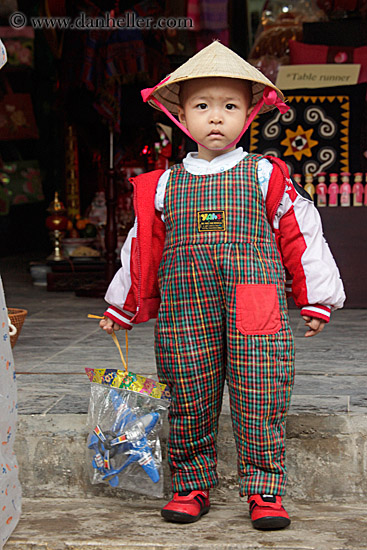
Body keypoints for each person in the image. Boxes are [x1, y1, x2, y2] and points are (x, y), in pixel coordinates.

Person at [99, 41, 345, 530]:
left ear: (249, 114)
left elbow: (301, 232)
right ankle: (191, 485)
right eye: (202, 106)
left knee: (260, 395)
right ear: (181, 117)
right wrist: (123, 304)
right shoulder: (165, 184)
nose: (216, 118)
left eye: (229, 106)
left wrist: (316, 298)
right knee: (188, 394)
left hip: (255, 305)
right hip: (184, 308)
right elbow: (142, 246)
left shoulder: (263, 174)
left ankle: (265, 491)